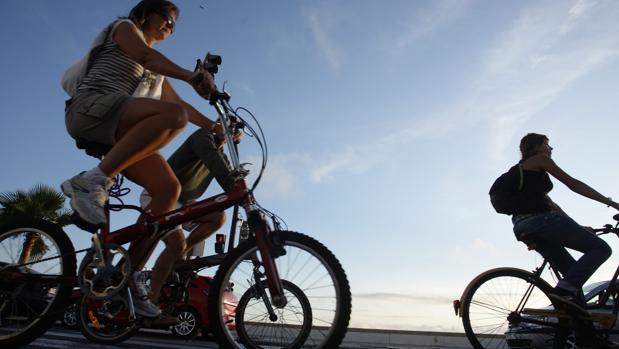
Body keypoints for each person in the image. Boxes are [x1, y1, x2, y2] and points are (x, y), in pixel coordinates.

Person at [61, 0, 222, 318]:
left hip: (116, 130)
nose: (170, 27)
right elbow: (147, 56)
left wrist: (215, 126)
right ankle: (89, 182)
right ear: (147, 13)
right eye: (167, 18)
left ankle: (128, 276)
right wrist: (192, 76)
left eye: (175, 25)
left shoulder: (156, 76)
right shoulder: (124, 29)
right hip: (88, 109)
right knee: (171, 117)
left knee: (167, 190)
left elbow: (184, 109)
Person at [132, 127, 243, 306]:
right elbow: (217, 167)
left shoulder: (220, 153)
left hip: (184, 202)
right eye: (225, 126)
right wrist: (234, 188)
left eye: (233, 130)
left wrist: (242, 191)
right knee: (176, 243)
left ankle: (179, 256)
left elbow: (229, 173)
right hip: (160, 194)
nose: (228, 131)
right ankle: (150, 301)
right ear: (216, 125)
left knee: (218, 217)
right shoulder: (203, 137)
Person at [511, 133, 619, 306]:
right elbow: (573, 184)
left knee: (572, 276)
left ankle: (580, 327)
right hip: (541, 221)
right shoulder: (540, 159)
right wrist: (611, 203)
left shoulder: (524, 174)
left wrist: (579, 228)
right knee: (601, 249)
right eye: (547, 144)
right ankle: (562, 292)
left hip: (522, 226)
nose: (550, 148)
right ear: (536, 147)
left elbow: (553, 207)